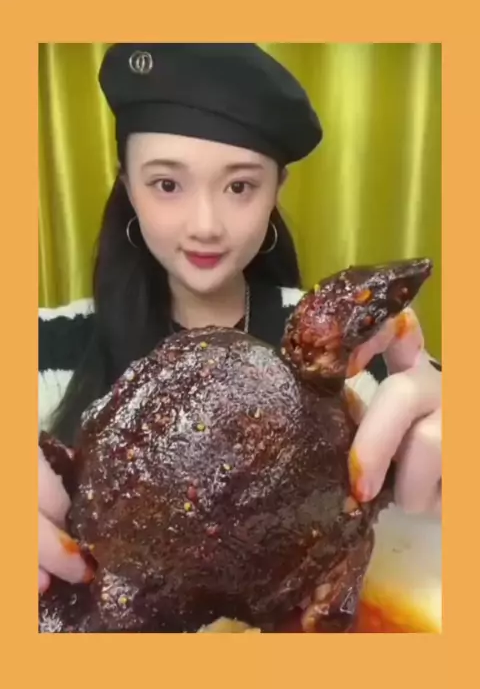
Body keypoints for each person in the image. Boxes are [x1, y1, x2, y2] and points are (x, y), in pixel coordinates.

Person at [38, 43, 442, 596]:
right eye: (167, 184)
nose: (205, 225)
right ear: (128, 186)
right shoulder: (41, 348)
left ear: (276, 190)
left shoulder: (358, 358)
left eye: (239, 186)